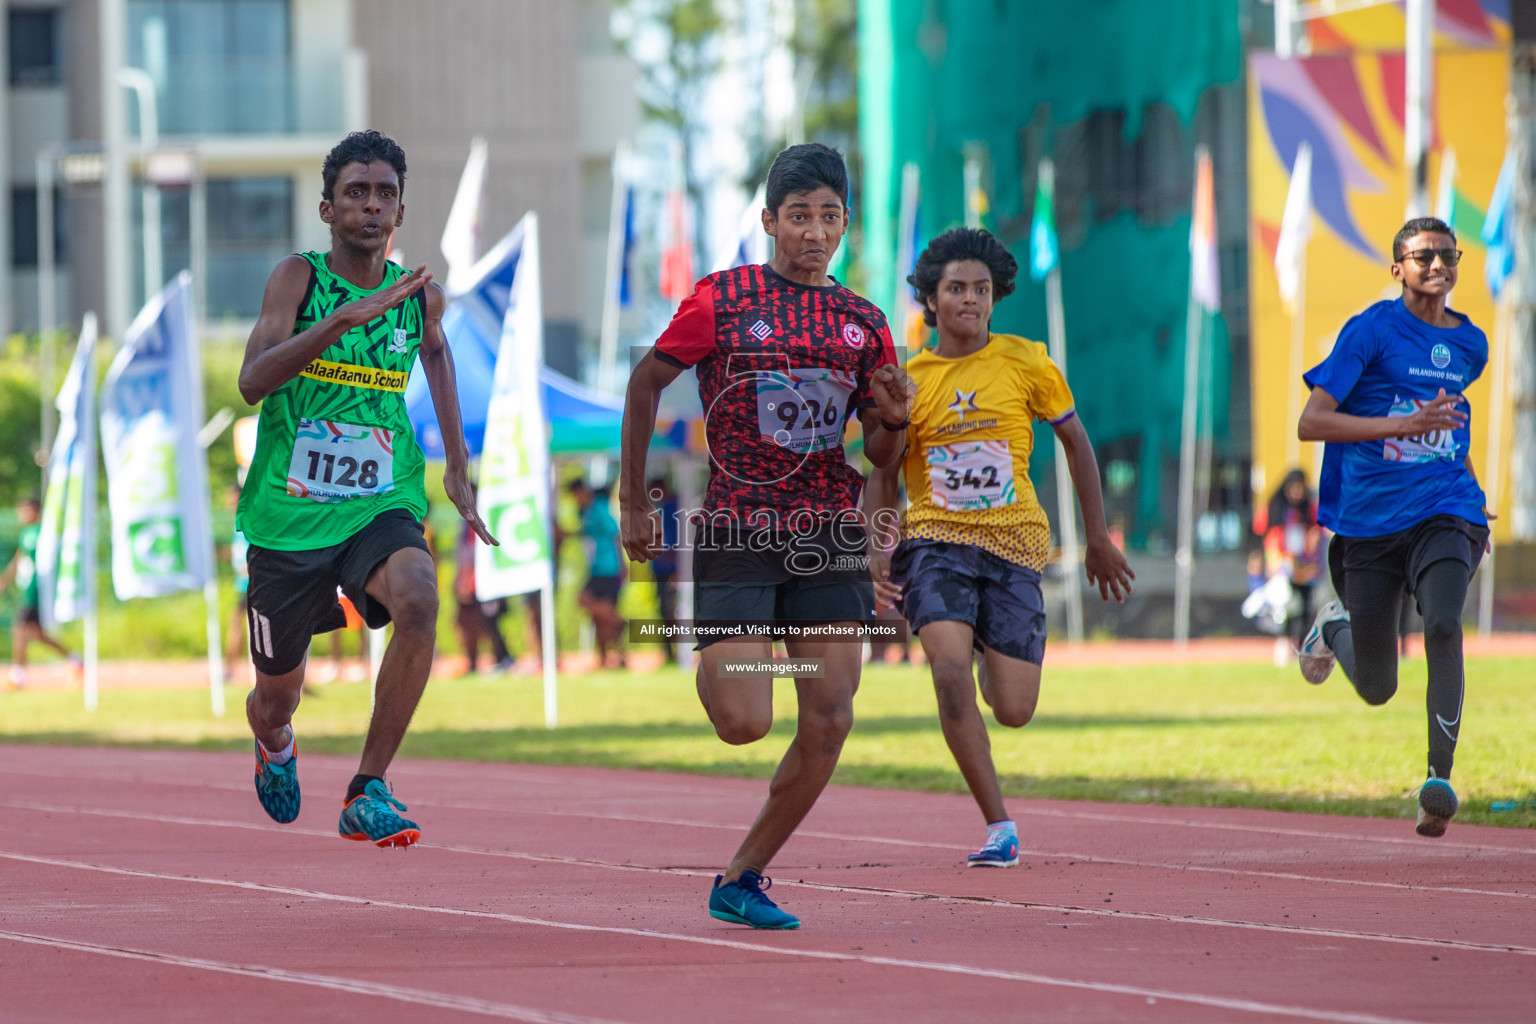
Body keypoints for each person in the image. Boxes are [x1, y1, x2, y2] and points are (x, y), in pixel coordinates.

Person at [620, 143, 915, 929]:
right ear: (768, 221)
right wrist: (631, 500)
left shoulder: (865, 324)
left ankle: (742, 875)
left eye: (829, 218)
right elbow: (646, 379)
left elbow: (882, 453)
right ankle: (722, 666)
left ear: (846, 224)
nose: (814, 234)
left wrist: (891, 418)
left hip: (825, 532)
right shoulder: (723, 299)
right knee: (745, 721)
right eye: (799, 217)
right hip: (740, 528)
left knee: (829, 717)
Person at [236, 130, 495, 847]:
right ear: (328, 208)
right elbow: (253, 382)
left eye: (385, 194)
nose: (371, 206)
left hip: (378, 498)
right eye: (356, 192)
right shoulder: (299, 280)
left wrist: (456, 463)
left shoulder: (419, 296)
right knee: (276, 695)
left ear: (401, 211)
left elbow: (435, 354)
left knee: (420, 591)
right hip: (287, 517)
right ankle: (275, 740)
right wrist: (342, 320)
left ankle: (368, 786)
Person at [864, 227, 1133, 867]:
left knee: (1013, 709)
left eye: (981, 289)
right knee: (949, 673)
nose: (970, 300)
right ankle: (999, 826)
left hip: (1014, 543)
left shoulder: (1027, 362)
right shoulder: (912, 378)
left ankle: (986, 636)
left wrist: (1097, 538)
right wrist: (875, 554)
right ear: (930, 300)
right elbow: (880, 473)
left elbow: (1077, 444)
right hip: (935, 542)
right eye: (956, 288)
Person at [1296, 217, 1490, 839]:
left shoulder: (1472, 345)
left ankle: (1439, 782)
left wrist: (1468, 485)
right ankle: (1333, 625)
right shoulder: (1371, 332)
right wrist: (1397, 428)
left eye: (1447, 254)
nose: (1438, 265)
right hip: (1372, 525)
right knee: (1378, 685)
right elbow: (1312, 421)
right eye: (1423, 255)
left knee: (1441, 623)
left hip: (1446, 509)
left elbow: (1449, 425)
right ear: (1397, 267)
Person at [1, 496, 81, 690]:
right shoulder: (26, 533)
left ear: (35, 511)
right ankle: (75, 660)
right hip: (26, 587)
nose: (22, 514)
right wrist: (5, 580)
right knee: (36, 633)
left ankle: (17, 677)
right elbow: (20, 558)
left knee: (19, 629)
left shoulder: (42, 533)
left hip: (35, 590)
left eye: (25, 510)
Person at [1252, 468, 1324, 654]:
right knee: (1284, 604)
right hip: (1281, 564)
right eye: (1293, 488)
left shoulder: (1309, 508)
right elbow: (1261, 533)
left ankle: (1302, 643)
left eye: (1300, 488)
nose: (1296, 493)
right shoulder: (1275, 506)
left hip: (1305, 565)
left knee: (1306, 606)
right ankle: (1285, 641)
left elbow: (1319, 529)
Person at [568, 479, 627, 670]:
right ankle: (607, 658)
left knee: (585, 601)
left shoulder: (599, 508)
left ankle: (619, 622)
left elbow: (615, 535)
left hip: (608, 568)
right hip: (595, 568)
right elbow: (587, 534)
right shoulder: (585, 512)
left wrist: (622, 565)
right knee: (598, 618)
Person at [646, 475, 681, 664]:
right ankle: (670, 651)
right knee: (665, 610)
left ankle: (679, 650)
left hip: (673, 568)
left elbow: (680, 540)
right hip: (660, 568)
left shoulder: (676, 508)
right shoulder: (656, 509)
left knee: (673, 609)